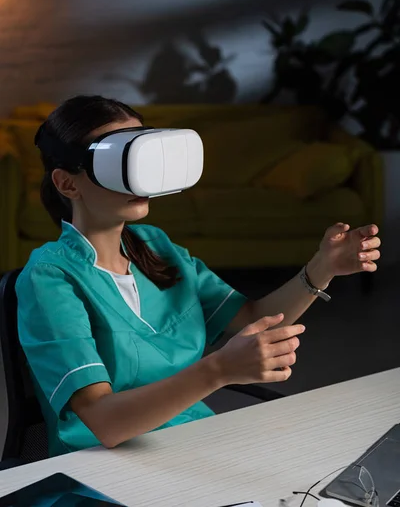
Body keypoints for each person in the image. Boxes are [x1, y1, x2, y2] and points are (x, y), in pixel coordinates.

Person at [16, 96, 381, 457]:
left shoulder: (156, 246)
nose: (137, 179)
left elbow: (253, 320)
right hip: (102, 470)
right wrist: (218, 370)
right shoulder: (49, 279)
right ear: (67, 184)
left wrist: (323, 267)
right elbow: (104, 422)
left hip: (193, 443)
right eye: (118, 161)